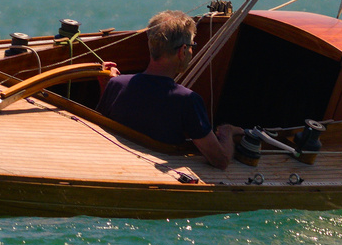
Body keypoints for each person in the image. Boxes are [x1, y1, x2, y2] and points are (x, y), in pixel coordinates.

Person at [97, 10, 240, 168]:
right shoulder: (188, 101)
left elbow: (102, 131)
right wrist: (227, 131)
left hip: (118, 167)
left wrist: (107, 86)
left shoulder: (117, 84)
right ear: (182, 51)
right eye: (192, 46)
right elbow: (220, 160)